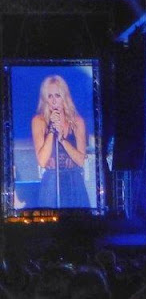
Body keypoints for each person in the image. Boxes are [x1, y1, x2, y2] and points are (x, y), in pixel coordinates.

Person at [31, 75, 89, 208]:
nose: (53, 101)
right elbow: (42, 160)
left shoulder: (77, 122)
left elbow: (80, 160)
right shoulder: (38, 121)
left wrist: (62, 139)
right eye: (49, 96)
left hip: (74, 180)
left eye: (57, 95)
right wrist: (52, 129)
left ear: (64, 97)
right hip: (51, 181)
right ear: (45, 99)